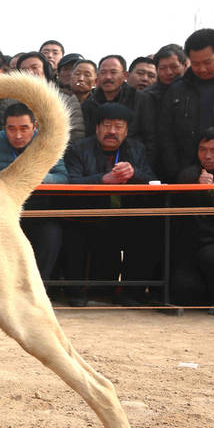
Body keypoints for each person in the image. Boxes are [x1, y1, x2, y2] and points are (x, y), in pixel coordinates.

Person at [63, 102, 158, 306]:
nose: (112, 131)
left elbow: (152, 180)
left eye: (118, 126)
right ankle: (75, 292)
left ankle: (130, 292)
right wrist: (101, 180)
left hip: (124, 213)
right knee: (72, 233)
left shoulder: (136, 149)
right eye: (106, 125)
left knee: (147, 228)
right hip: (87, 213)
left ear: (126, 130)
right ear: (97, 127)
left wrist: (134, 174)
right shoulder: (78, 149)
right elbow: (70, 182)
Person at [0, 102, 67, 279]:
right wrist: (13, 176)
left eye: (24, 128)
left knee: (52, 233)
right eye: (11, 129)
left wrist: (36, 176)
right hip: (2, 212)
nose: (18, 135)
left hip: (38, 211)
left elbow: (63, 177)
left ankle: (39, 289)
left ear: (35, 126)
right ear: (5, 128)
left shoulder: (47, 142)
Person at [158, 29, 214, 182]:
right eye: (195, 64)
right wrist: (175, 169)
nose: (202, 69)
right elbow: (165, 134)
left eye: (208, 62)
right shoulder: (177, 89)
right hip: (187, 172)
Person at [172, 127, 214, 305]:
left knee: (211, 256)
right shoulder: (190, 174)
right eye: (203, 150)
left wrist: (213, 191)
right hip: (197, 240)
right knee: (183, 288)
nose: (207, 156)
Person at [80, 54, 156, 171]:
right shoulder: (88, 104)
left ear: (125, 75)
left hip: (133, 164)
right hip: (96, 165)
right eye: (103, 72)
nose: (108, 77)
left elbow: (151, 139)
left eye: (113, 72)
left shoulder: (141, 100)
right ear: (98, 76)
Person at [16, 52, 85, 143]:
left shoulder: (66, 100)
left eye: (34, 67)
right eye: (24, 69)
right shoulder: (11, 100)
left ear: (46, 71)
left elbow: (76, 136)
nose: (30, 72)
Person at [144, 44, 187, 118]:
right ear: (156, 69)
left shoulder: (197, 91)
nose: (168, 72)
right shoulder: (146, 97)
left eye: (174, 67)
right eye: (162, 68)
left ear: (185, 66)